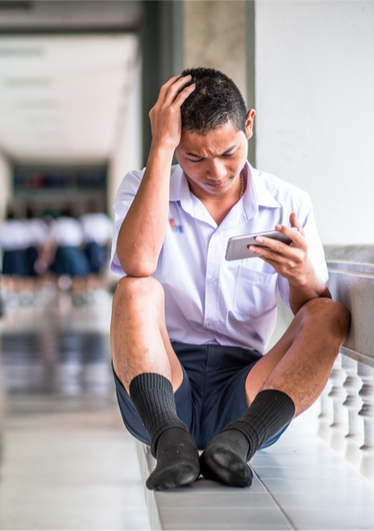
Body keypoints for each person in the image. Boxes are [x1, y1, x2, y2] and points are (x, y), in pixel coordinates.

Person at [110, 68, 350, 490]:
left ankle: (237, 444)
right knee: (134, 289)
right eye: (194, 157)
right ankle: (169, 441)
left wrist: (300, 274)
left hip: (248, 393)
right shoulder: (142, 187)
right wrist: (161, 147)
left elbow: (308, 310)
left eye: (228, 152)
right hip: (162, 381)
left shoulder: (287, 203)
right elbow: (137, 262)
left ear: (249, 126)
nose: (216, 172)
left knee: (329, 314)